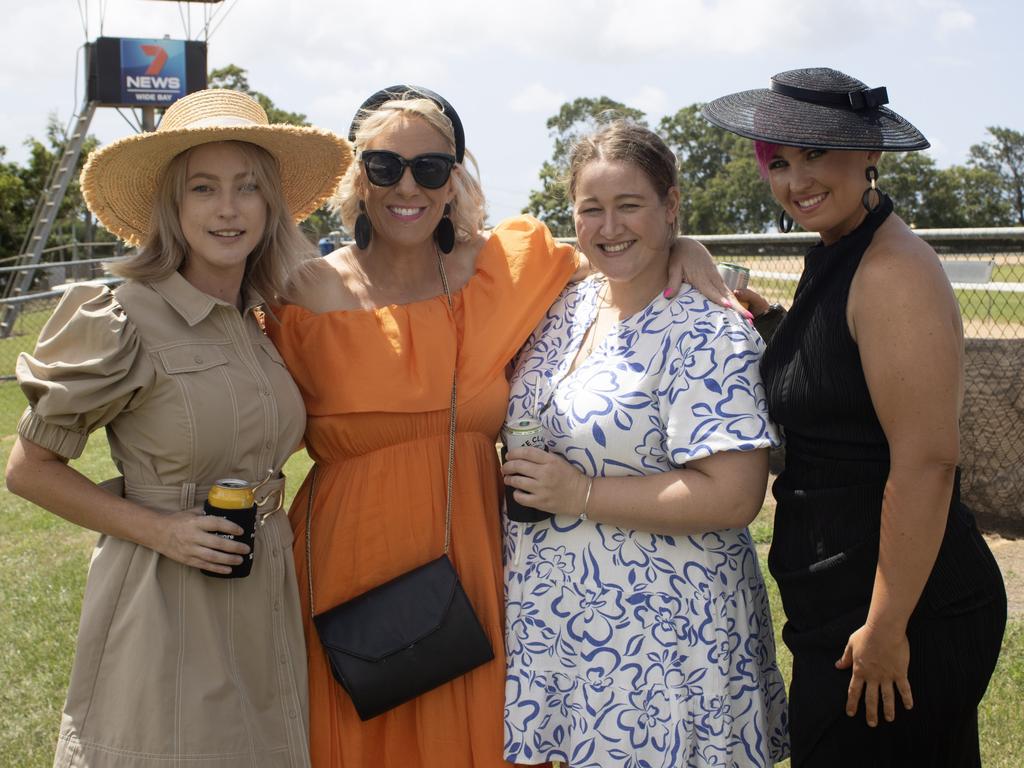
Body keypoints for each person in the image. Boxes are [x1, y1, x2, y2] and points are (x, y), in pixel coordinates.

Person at [268, 85, 734, 768]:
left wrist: (683, 244)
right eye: (385, 165)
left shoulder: (504, 270)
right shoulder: (298, 290)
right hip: (344, 565)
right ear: (356, 178)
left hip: (477, 559)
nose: (409, 186)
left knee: (481, 740)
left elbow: (618, 255)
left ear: (454, 180)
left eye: (431, 168)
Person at [4, 88, 351, 767]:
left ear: (270, 204)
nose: (228, 209)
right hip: (166, 599)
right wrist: (162, 529)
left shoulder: (260, 322)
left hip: (264, 592)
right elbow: (28, 470)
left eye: (248, 188)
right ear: (173, 204)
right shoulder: (123, 316)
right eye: (204, 188)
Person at [702, 68, 1007, 767]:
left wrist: (887, 626)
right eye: (779, 162)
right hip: (843, 598)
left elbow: (926, 463)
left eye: (816, 154)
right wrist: (776, 322)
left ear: (869, 154)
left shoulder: (892, 270)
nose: (794, 179)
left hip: (900, 609)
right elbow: (845, 384)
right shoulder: (837, 250)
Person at [499, 120, 789, 768]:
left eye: (629, 205)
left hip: (663, 638)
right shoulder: (563, 307)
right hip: (565, 630)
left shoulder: (705, 327)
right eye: (591, 209)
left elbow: (735, 496)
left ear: (671, 206)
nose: (609, 227)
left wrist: (580, 493)